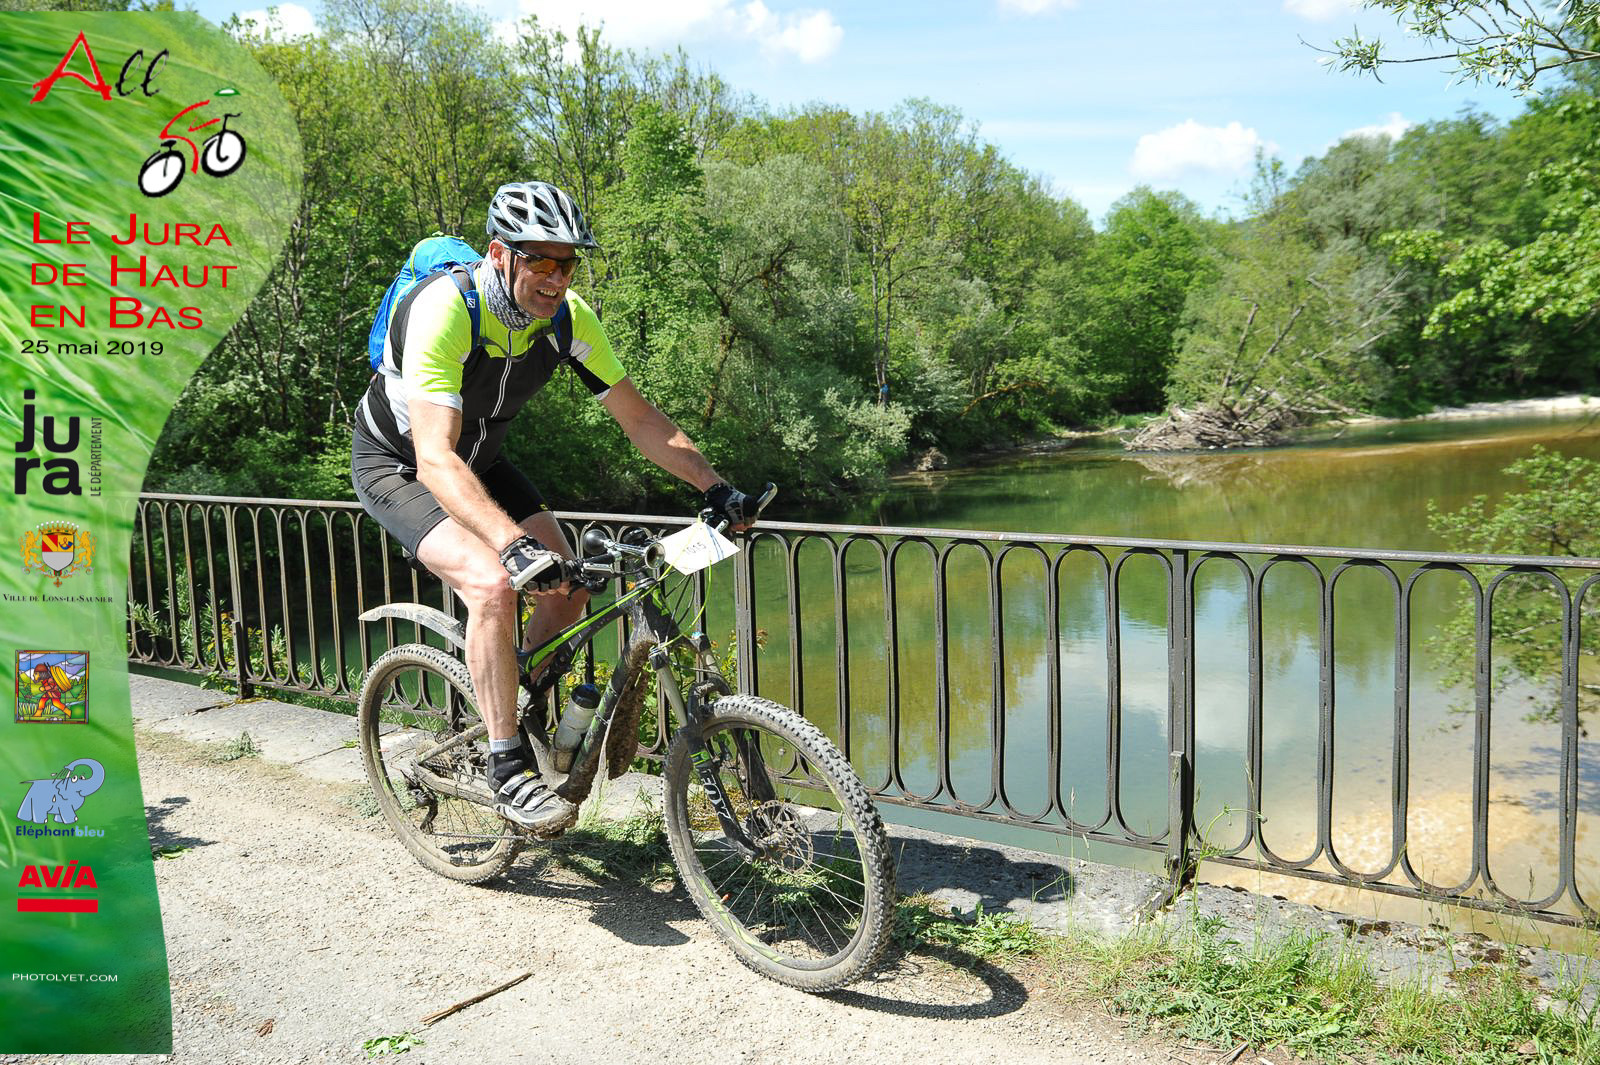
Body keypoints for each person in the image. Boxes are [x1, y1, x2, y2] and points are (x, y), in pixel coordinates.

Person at [351, 181, 760, 835]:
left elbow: (639, 418)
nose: (555, 276)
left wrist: (715, 487)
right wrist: (512, 546)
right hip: (401, 463)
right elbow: (435, 458)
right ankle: (506, 764)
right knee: (493, 584)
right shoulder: (445, 309)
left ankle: (521, 705)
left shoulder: (568, 318)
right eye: (539, 259)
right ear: (499, 254)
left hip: (481, 461)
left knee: (569, 588)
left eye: (567, 262)